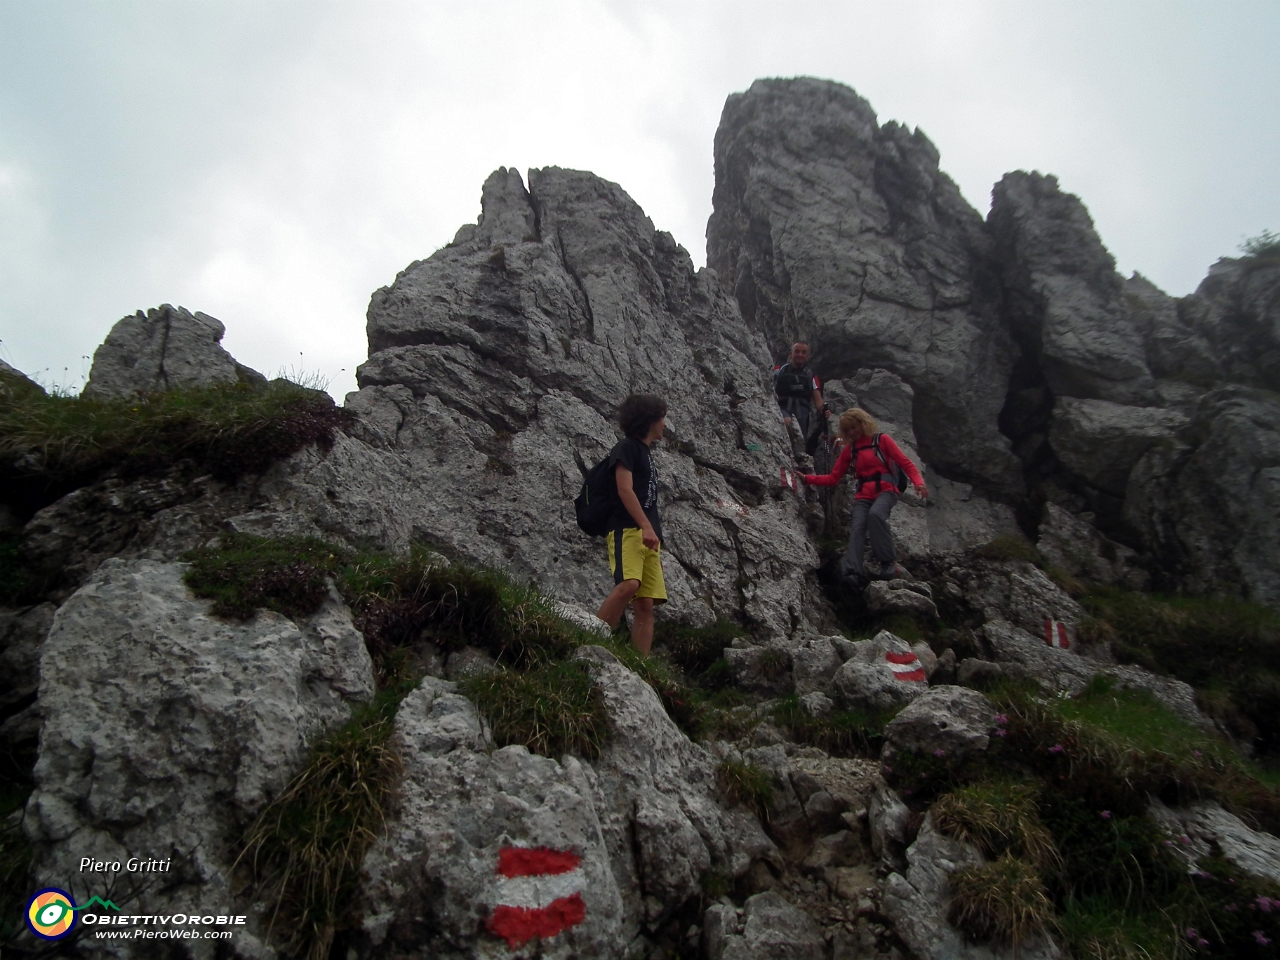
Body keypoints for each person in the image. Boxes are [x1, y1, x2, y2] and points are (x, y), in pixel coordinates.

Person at [803, 408, 928, 587]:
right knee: (857, 528)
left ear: (863, 424)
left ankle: (888, 562)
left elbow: (905, 463)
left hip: (887, 490)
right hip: (863, 494)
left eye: (854, 427)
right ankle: (851, 572)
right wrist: (807, 479)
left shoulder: (882, 440)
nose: (852, 432)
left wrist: (919, 483)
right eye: (848, 430)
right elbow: (833, 478)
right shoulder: (850, 450)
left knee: (875, 516)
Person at [595, 394, 667, 656]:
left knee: (645, 605)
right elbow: (624, 490)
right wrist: (645, 527)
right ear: (648, 420)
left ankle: (641, 666)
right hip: (626, 529)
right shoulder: (626, 448)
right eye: (661, 418)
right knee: (629, 584)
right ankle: (591, 639)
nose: (664, 425)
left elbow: (648, 502)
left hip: (647, 536)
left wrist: (654, 541)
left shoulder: (646, 454)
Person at [773, 342, 829, 455]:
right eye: (797, 351)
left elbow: (817, 398)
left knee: (800, 442)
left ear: (807, 356)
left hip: (802, 413)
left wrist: (824, 411)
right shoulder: (779, 371)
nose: (800, 354)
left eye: (803, 352)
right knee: (787, 422)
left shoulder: (810, 375)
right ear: (791, 353)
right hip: (782, 408)